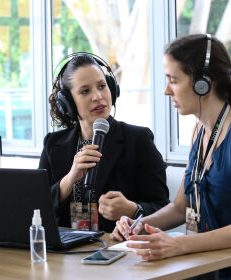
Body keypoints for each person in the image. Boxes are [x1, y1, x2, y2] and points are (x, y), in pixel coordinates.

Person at [111, 34, 231, 279]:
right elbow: (179, 208)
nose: (166, 91)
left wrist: (176, 245)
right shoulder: (199, 131)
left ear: (203, 83)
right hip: (206, 259)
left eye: (173, 80)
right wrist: (140, 224)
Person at [38, 53, 169, 233]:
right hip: (64, 253)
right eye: (85, 91)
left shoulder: (139, 139)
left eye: (102, 86)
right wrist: (69, 180)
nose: (98, 96)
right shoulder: (53, 144)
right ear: (67, 102)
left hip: (118, 250)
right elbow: (35, 207)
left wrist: (133, 209)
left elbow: (163, 208)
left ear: (112, 89)